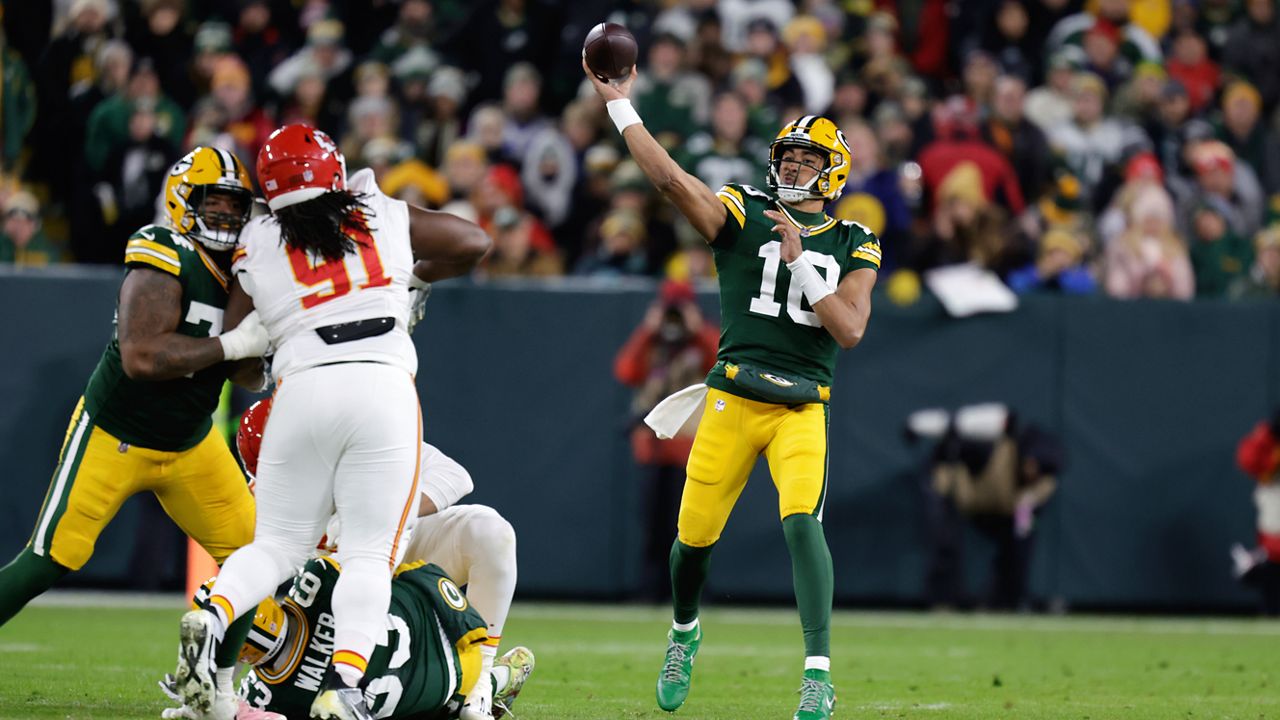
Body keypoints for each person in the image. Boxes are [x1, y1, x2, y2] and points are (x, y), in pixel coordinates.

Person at [585, 60, 880, 720]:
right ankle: (684, 632)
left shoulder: (857, 240)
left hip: (801, 405)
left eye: (807, 161)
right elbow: (668, 180)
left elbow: (851, 329)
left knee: (803, 525)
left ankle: (817, 674)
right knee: (692, 541)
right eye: (789, 158)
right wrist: (621, 107)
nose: (794, 169)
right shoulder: (744, 211)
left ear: (832, 171)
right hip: (733, 398)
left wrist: (802, 263)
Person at [173, 125, 489, 720]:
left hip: (301, 389)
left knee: (275, 545)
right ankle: (345, 689)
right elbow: (473, 242)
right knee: (371, 554)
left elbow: (240, 361)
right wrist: (412, 278)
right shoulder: (377, 211)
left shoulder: (259, 238)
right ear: (333, 170)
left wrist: (263, 333)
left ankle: (211, 614)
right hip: (380, 383)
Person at [0, 146, 269, 688]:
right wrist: (231, 344)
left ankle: (214, 689)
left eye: (234, 207)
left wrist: (262, 345)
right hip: (115, 434)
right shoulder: (162, 248)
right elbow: (142, 357)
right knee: (49, 559)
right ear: (182, 200)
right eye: (213, 204)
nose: (226, 217)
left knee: (255, 561)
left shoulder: (244, 272)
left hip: (191, 444)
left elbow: (244, 375)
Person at [225, 398, 523, 720]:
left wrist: (386, 514)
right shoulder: (253, 507)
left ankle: (481, 683)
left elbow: (454, 475)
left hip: (397, 553)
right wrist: (225, 683)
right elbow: (252, 606)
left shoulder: (362, 444)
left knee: (489, 531)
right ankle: (475, 685)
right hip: (327, 613)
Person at [167, 559, 534, 720]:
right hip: (450, 632)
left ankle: (479, 691)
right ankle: (486, 682)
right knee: (387, 569)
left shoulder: (265, 694)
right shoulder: (315, 579)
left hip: (428, 698)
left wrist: (214, 706)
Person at [614, 280, 720, 602]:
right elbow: (625, 371)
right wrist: (647, 330)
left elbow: (721, 362)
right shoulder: (651, 342)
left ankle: (689, 590)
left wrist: (697, 328)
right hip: (651, 448)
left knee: (689, 525)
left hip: (687, 448)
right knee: (651, 525)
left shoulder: (701, 340)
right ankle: (649, 590)